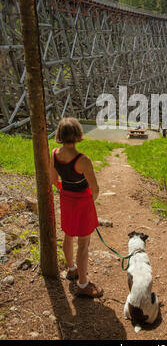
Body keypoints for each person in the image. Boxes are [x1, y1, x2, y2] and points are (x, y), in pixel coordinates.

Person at [50, 117, 103, 298]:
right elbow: (95, 189)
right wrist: (89, 201)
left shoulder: (55, 153)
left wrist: (65, 190)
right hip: (82, 202)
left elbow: (53, 180)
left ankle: (71, 269)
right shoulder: (84, 160)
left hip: (66, 200)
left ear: (60, 135)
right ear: (78, 134)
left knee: (68, 235)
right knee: (83, 244)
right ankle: (82, 284)